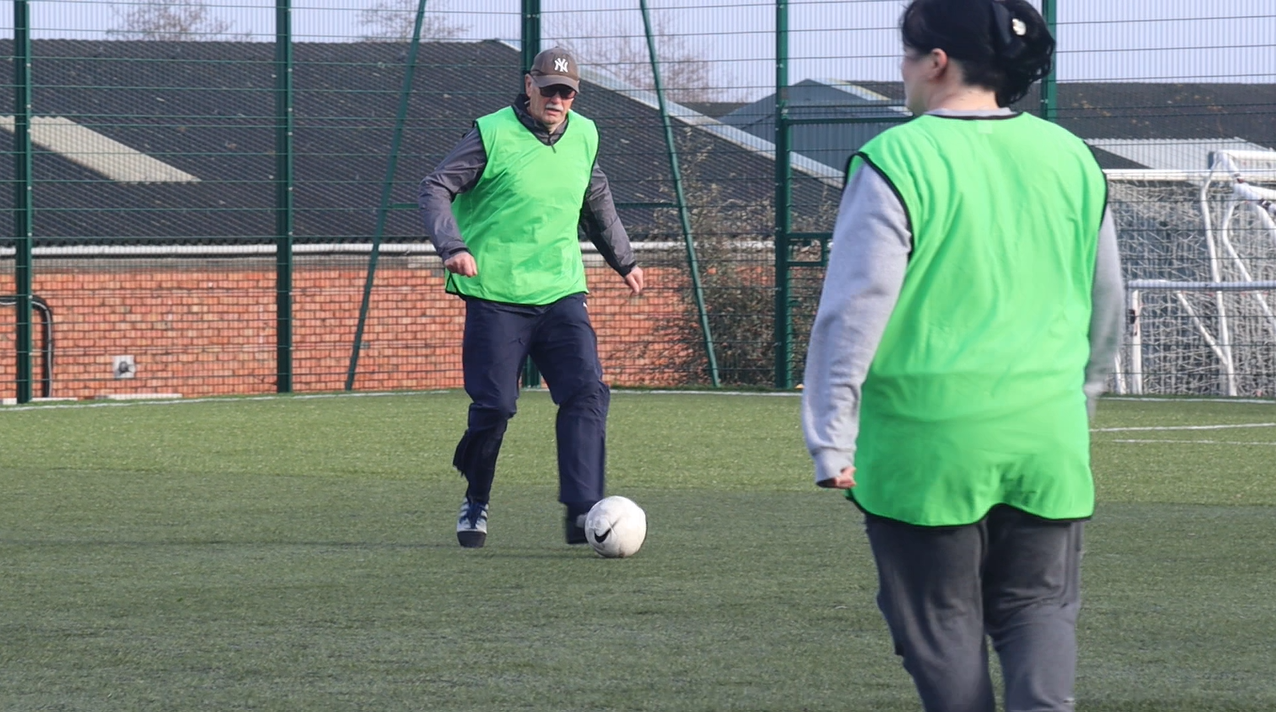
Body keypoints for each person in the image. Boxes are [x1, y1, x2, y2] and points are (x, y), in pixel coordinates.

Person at [800, 1, 1123, 710]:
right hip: (1046, 437)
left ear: (936, 63)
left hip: (929, 441)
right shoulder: (1072, 157)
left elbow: (854, 312)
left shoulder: (896, 158)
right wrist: (1083, 398)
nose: (901, 69)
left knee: (942, 626)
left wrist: (831, 438)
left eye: (907, 54)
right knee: (1038, 611)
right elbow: (1108, 301)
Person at [419, 47, 644, 549]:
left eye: (567, 92)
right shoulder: (491, 133)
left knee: (586, 391)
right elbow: (435, 187)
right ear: (529, 85)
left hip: (561, 291)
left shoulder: (584, 136)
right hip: (496, 294)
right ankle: (476, 497)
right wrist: (452, 246)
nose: (558, 99)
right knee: (496, 406)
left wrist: (625, 261)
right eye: (549, 90)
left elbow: (596, 199)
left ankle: (583, 510)